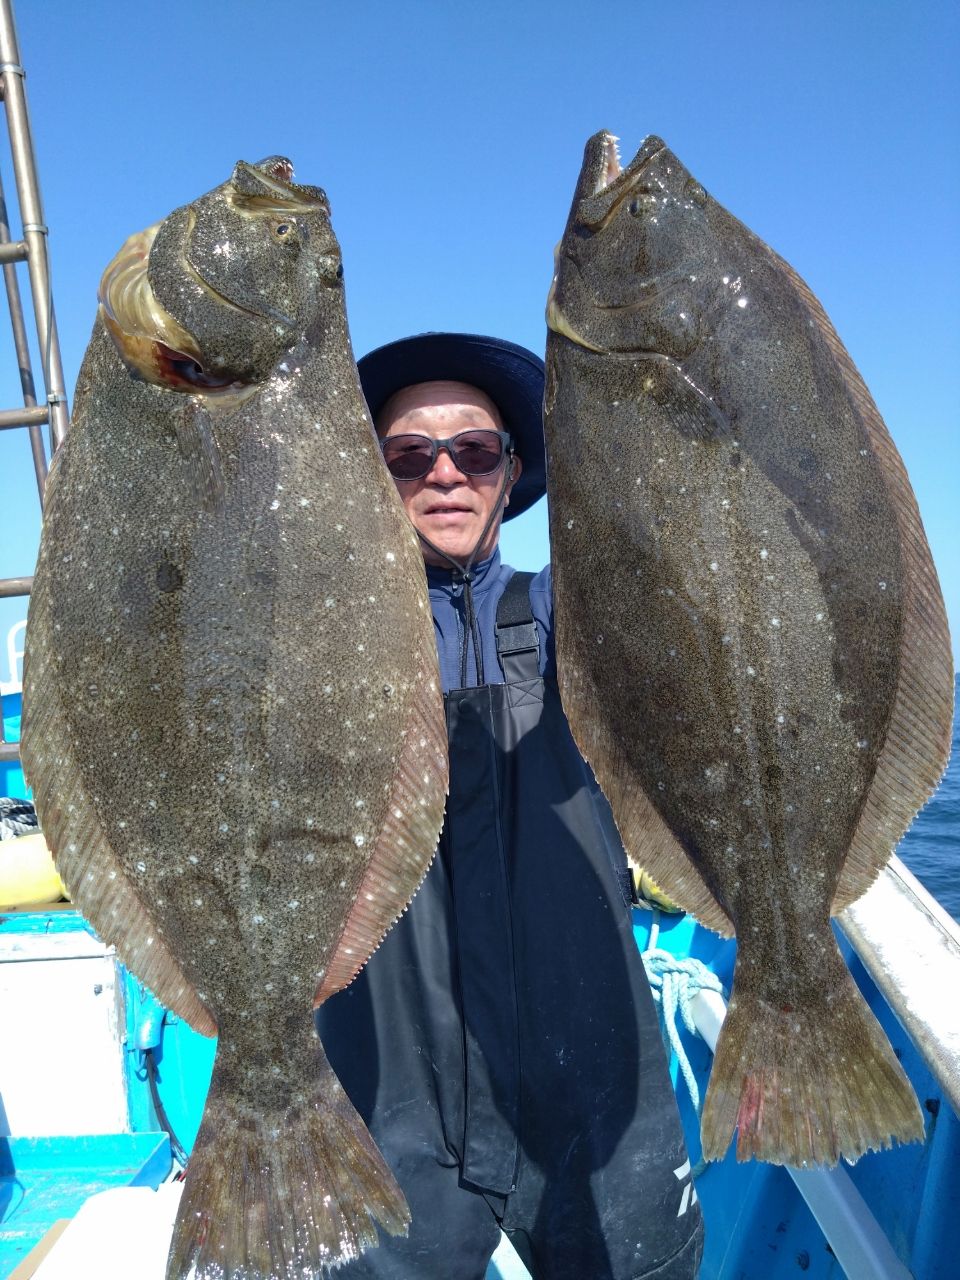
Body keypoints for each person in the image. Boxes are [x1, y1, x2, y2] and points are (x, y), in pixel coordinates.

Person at [316, 333, 704, 1280]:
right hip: (387, 1090)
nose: (444, 474)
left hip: (594, 1079)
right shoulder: (321, 654)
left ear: (513, 471)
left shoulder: (584, 615)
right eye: (407, 457)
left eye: (475, 452)